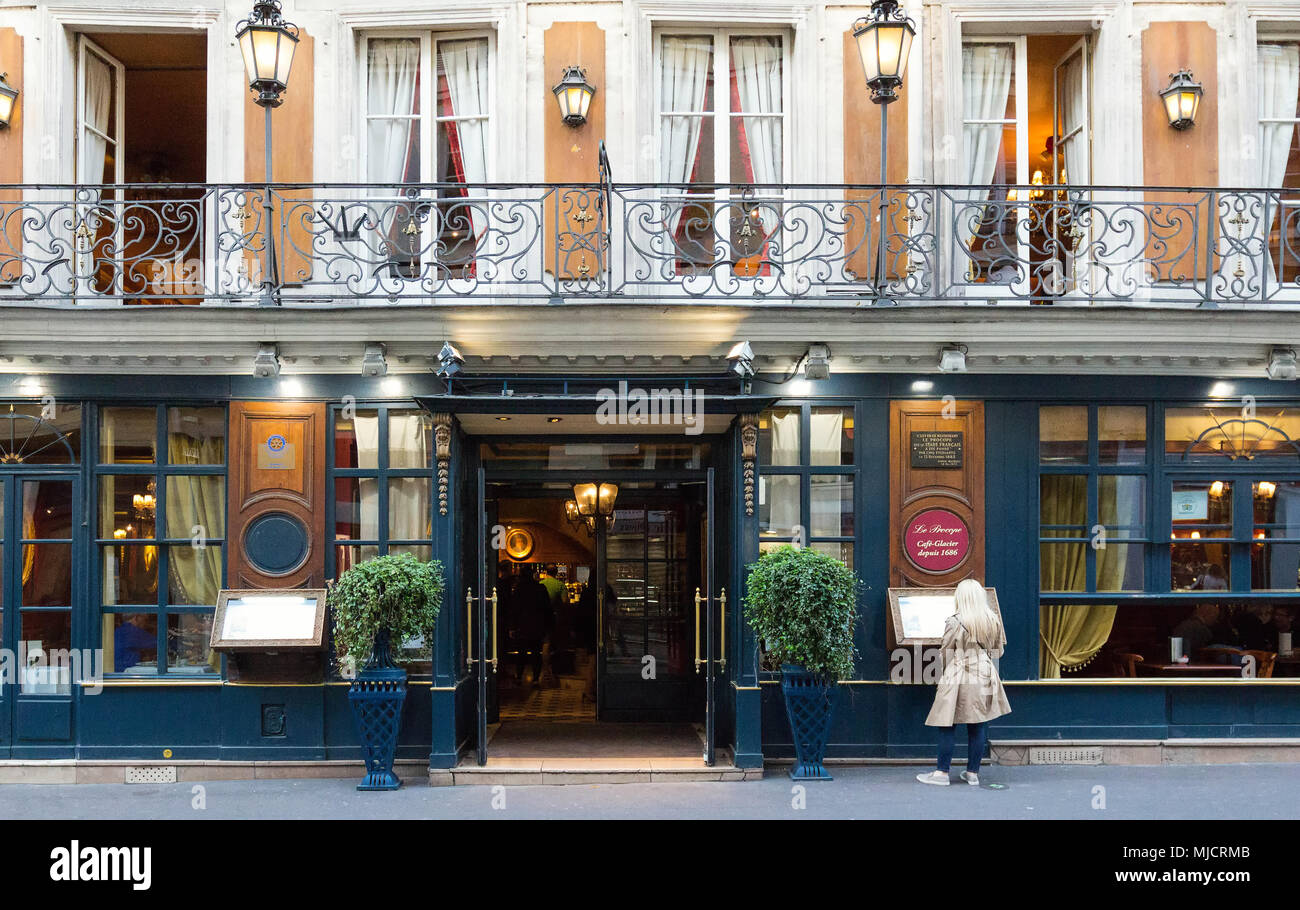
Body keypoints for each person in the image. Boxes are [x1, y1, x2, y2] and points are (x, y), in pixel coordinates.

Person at [917, 579, 1010, 787]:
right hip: (985, 674)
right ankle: (972, 774)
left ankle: (941, 774)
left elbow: (945, 653)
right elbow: (999, 651)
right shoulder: (993, 619)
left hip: (959, 674)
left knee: (947, 723)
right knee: (978, 725)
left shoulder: (954, 621)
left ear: (961, 597)